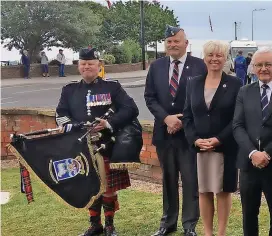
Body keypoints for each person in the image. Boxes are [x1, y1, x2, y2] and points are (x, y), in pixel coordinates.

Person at [55, 48, 139, 236]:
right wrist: (76, 127)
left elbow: (131, 109)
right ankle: (95, 225)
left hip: (106, 146)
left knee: (108, 189)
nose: (87, 67)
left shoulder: (112, 87)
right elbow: (60, 115)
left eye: (91, 63)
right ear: (78, 66)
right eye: (83, 64)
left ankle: (109, 225)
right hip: (81, 149)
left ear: (99, 65)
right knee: (88, 187)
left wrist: (109, 123)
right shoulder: (69, 90)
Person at [144, 25, 207, 236]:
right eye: (169, 41)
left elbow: (204, 99)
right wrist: (166, 118)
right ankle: (167, 223)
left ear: (186, 43)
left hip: (189, 135)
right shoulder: (156, 66)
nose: (172, 44)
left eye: (176, 41)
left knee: (191, 181)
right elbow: (149, 97)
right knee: (168, 180)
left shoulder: (200, 66)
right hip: (164, 134)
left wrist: (181, 120)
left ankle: (190, 225)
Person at [232, 47, 272, 236]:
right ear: (253, 67)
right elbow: (237, 126)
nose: (263, 68)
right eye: (259, 64)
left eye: (268, 64)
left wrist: (267, 153)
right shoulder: (244, 91)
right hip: (249, 165)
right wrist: (253, 153)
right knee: (249, 213)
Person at [183, 40, 241, 236]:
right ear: (204, 57)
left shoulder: (235, 83)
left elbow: (237, 118)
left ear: (225, 58)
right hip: (199, 148)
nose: (214, 59)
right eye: (211, 55)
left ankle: (221, 232)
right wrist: (194, 140)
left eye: (219, 55)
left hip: (224, 147)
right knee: (203, 190)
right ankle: (208, 232)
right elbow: (187, 116)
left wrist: (218, 139)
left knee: (223, 191)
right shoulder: (193, 83)